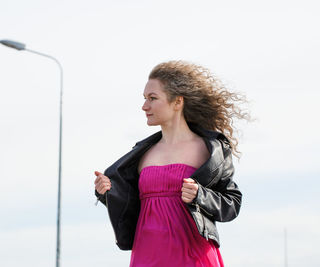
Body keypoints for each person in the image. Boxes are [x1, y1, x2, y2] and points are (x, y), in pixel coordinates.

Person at [94, 60, 250, 267]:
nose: (144, 106)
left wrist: (200, 195)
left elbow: (232, 203)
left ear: (178, 102)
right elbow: (130, 208)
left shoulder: (209, 150)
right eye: (144, 99)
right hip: (146, 254)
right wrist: (108, 193)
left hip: (194, 256)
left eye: (152, 98)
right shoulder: (142, 154)